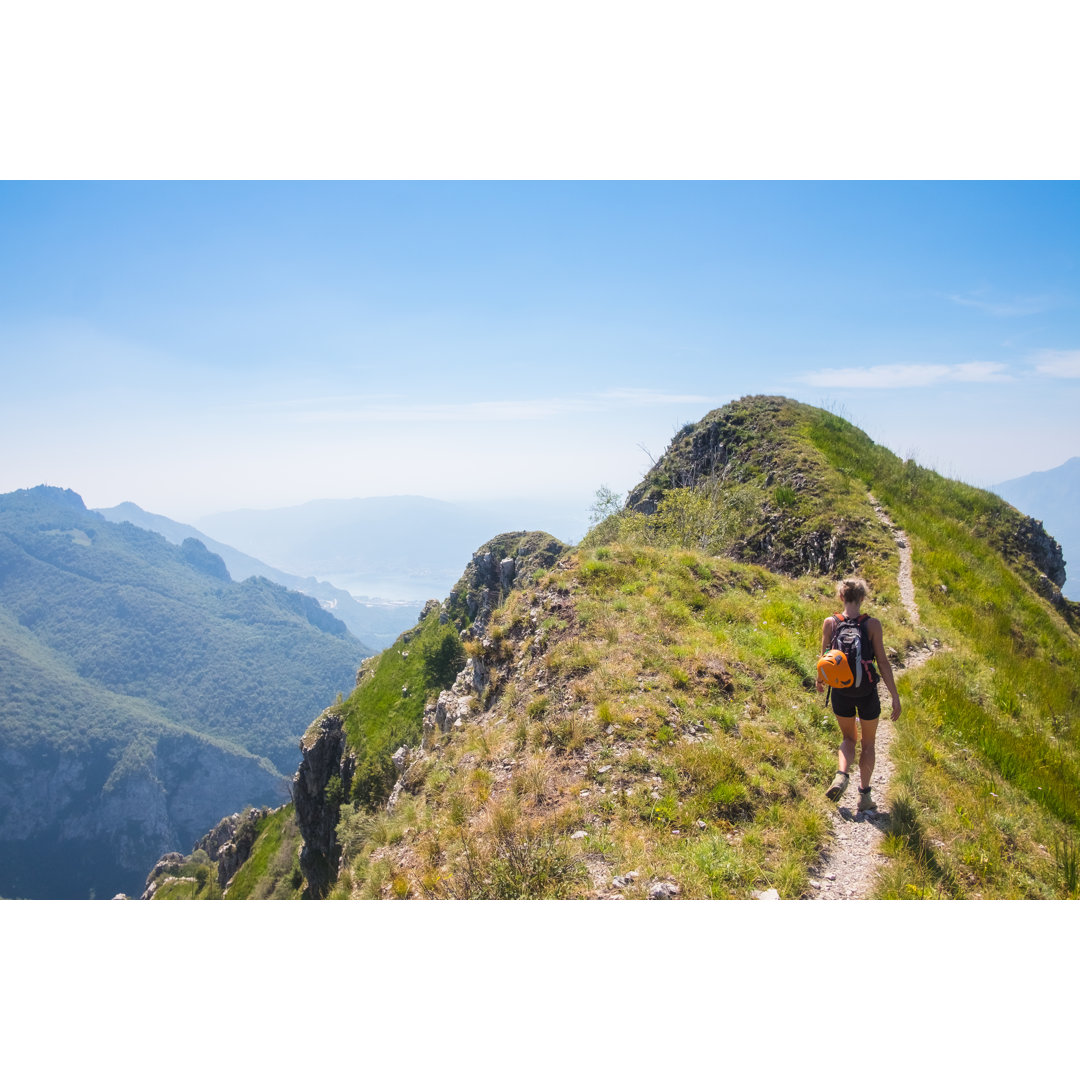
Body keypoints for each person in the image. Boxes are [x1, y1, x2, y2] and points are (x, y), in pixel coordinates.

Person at [816, 577, 901, 812]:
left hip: (841, 692)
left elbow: (824, 657)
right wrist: (894, 695)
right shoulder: (872, 625)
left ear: (841, 597)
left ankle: (841, 775)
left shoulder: (830, 623)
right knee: (868, 743)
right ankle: (864, 796)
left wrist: (820, 680)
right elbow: (882, 662)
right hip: (866, 693)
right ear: (862, 598)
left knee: (848, 739)